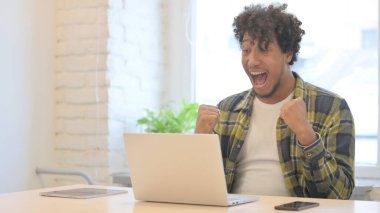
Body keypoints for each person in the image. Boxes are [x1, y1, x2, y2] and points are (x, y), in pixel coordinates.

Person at [195, 3, 355, 199]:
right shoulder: (227, 109)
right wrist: (199, 141)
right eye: (246, 50)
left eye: (263, 49)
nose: (252, 61)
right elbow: (200, 191)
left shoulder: (332, 108)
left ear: (288, 54)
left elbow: (339, 195)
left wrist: (307, 135)